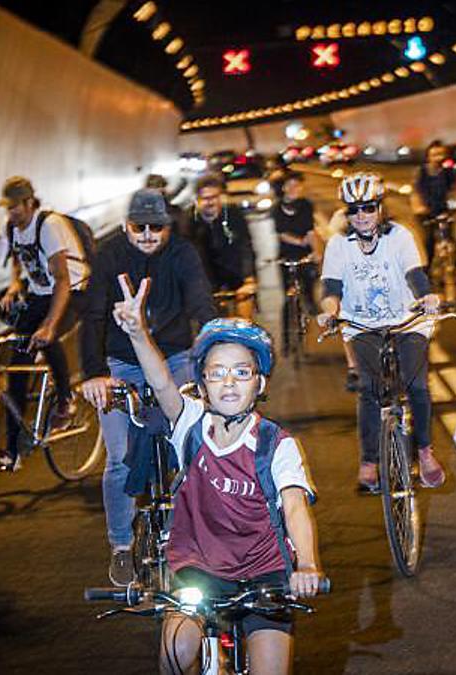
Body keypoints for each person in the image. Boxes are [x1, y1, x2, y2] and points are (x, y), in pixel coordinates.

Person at [111, 281, 323, 675]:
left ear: (259, 384)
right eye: (217, 373)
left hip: (265, 572)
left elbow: (294, 506)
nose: (229, 382)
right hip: (199, 568)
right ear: (203, 384)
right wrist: (138, 332)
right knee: (173, 658)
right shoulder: (191, 424)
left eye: (242, 373)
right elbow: (160, 383)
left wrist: (307, 566)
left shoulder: (276, 444)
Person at [79, 188, 215, 586]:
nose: (149, 234)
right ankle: (121, 546)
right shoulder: (109, 256)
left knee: (190, 450)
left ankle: (182, 537)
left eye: (157, 227)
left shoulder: (183, 255)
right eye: (140, 227)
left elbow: (201, 302)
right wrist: (93, 374)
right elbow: (92, 317)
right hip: (121, 363)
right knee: (119, 458)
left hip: (174, 358)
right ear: (126, 226)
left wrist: (214, 350)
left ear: (168, 228)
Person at [316, 172, 447, 492]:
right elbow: (332, 287)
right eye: (353, 209)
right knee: (369, 389)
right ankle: (370, 460)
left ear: (380, 208)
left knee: (416, 385)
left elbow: (414, 273)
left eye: (368, 208)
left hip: (406, 319)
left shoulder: (399, 236)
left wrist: (425, 297)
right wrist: (329, 312)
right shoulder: (337, 244)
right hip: (362, 324)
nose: (361, 216)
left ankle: (425, 451)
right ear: (345, 213)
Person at [0, 176, 90, 470]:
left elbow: (61, 279)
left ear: (30, 203)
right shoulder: (13, 228)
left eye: (16, 208)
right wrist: (13, 287)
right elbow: (17, 259)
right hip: (40, 294)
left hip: (73, 290)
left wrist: (49, 325)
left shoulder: (49, 226)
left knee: (46, 337)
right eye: (7, 209)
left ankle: (66, 398)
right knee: (16, 371)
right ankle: (12, 451)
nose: (12, 214)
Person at [188, 172, 257, 320]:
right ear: (197, 200)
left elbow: (245, 246)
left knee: (244, 325)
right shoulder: (189, 221)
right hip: (207, 280)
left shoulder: (233, 215)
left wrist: (248, 278)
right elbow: (187, 256)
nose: (211, 202)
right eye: (205, 198)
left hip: (236, 275)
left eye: (215, 197)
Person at [272, 171, 319, 351]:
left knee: (309, 283)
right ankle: (285, 340)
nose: (294, 189)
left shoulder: (306, 205)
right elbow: (281, 234)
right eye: (290, 185)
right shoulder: (277, 208)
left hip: (305, 254)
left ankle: (309, 301)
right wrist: (299, 241)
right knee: (288, 295)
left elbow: (310, 231)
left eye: (297, 185)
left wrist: (316, 251)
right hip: (286, 255)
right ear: (284, 188)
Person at [410, 140, 456, 266]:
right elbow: (416, 192)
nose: (438, 158)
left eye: (441, 154)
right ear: (428, 157)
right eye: (434, 155)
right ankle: (426, 270)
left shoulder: (448, 172)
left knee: (450, 239)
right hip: (426, 212)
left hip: (443, 210)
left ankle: (454, 268)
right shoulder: (421, 172)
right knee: (428, 242)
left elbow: (454, 190)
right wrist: (419, 207)